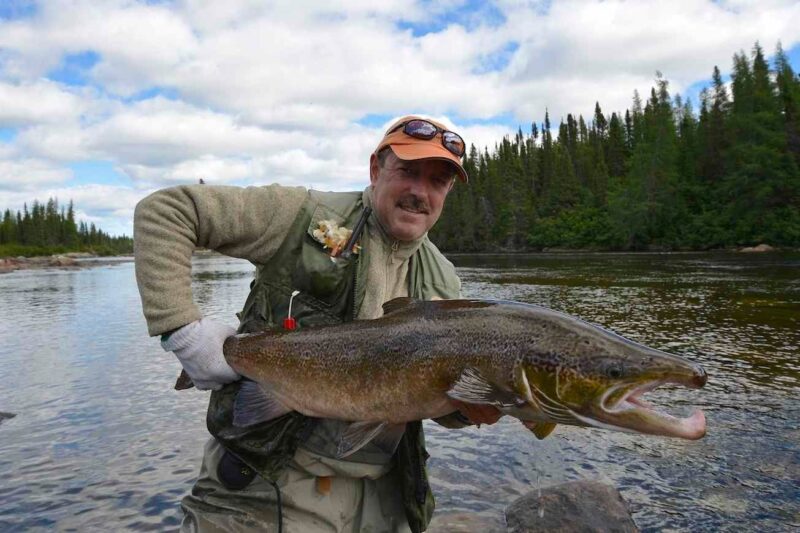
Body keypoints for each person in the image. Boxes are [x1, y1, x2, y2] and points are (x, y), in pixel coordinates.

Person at [133, 116, 501, 533]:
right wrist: (181, 329)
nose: (420, 192)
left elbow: (431, 398)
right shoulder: (300, 216)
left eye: (438, 181)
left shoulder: (443, 281)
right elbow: (165, 211)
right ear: (376, 170)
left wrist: (471, 410)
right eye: (408, 172)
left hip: (384, 498)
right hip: (270, 484)